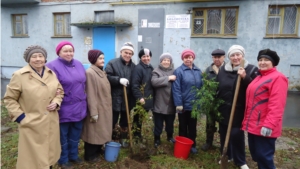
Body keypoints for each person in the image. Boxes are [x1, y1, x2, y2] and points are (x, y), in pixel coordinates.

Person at [3, 45, 64, 169]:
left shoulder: (50, 73)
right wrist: (21, 117)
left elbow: (60, 90)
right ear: (28, 59)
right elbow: (9, 99)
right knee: (32, 159)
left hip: (50, 121)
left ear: (45, 58)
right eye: (34, 56)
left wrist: (57, 101)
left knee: (49, 154)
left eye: (40, 56)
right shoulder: (19, 75)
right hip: (31, 123)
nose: (38, 59)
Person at [242, 49, 288, 169]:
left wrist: (269, 125)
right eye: (260, 60)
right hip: (253, 125)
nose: (262, 62)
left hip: (264, 125)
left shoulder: (278, 78)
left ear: (273, 63)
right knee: (257, 156)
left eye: (266, 60)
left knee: (264, 158)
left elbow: (277, 105)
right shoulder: (259, 77)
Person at [47, 41, 87, 169]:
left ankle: (73, 155)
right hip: (64, 107)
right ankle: (63, 159)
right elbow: (48, 86)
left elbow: (83, 84)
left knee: (75, 133)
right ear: (59, 52)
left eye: (71, 50)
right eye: (65, 51)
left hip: (80, 106)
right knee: (63, 135)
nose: (69, 53)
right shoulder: (52, 66)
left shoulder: (79, 64)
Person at [217, 45, 258, 169]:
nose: (235, 58)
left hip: (239, 108)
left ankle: (240, 160)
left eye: (238, 55)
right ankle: (227, 155)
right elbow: (219, 86)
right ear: (229, 57)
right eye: (232, 55)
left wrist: (245, 77)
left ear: (242, 55)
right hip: (224, 107)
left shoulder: (251, 69)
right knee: (224, 132)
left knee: (236, 134)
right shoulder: (224, 69)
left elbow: (255, 88)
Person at [81, 50, 112, 162]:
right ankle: (90, 155)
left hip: (104, 107)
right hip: (97, 108)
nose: (103, 60)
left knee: (101, 131)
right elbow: (91, 94)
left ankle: (98, 150)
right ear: (93, 59)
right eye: (100, 58)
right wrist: (93, 112)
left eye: (103, 58)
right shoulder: (90, 73)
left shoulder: (101, 72)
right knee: (93, 132)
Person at [172, 49, 203, 154]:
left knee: (193, 126)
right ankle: (182, 144)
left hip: (194, 105)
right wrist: (179, 104)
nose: (188, 59)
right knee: (183, 126)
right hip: (183, 105)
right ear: (183, 59)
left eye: (190, 57)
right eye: (186, 57)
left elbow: (201, 88)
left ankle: (192, 144)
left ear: (193, 58)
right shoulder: (179, 71)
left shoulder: (198, 71)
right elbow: (176, 89)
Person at [105, 42, 136, 147]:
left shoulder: (134, 67)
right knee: (112, 120)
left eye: (130, 53)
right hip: (115, 97)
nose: (127, 55)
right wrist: (118, 80)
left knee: (125, 120)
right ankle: (111, 139)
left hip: (128, 98)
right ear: (121, 52)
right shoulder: (112, 63)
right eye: (125, 52)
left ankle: (123, 138)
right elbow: (107, 77)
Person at [201, 49, 226, 151]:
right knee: (210, 124)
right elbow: (204, 86)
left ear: (224, 57)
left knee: (223, 125)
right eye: (214, 57)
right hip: (211, 103)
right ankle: (208, 142)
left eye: (219, 57)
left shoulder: (228, 69)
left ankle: (223, 144)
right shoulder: (208, 70)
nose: (217, 59)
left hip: (224, 103)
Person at [151, 53, 176, 148]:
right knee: (158, 123)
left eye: (168, 60)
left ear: (170, 62)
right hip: (159, 102)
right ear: (161, 61)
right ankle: (157, 139)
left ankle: (169, 137)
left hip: (171, 102)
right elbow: (154, 82)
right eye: (164, 60)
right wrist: (168, 78)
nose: (166, 62)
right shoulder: (156, 71)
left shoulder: (174, 71)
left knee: (170, 123)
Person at [131, 48, 154, 139]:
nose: (146, 58)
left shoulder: (150, 67)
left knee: (142, 118)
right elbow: (135, 85)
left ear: (150, 57)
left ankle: (139, 135)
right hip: (141, 99)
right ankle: (136, 136)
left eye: (148, 56)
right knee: (138, 119)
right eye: (143, 56)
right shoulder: (138, 68)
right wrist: (140, 97)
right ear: (140, 58)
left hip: (148, 98)